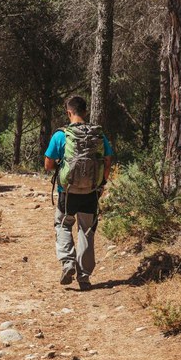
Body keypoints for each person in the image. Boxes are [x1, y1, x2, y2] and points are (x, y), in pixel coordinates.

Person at [44, 96, 113, 290]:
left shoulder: (61, 135)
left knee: (63, 224)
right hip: (91, 191)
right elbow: (107, 160)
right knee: (87, 231)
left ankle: (67, 263)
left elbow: (48, 165)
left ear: (69, 112)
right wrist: (102, 184)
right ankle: (84, 277)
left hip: (68, 191)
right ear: (85, 112)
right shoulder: (98, 135)